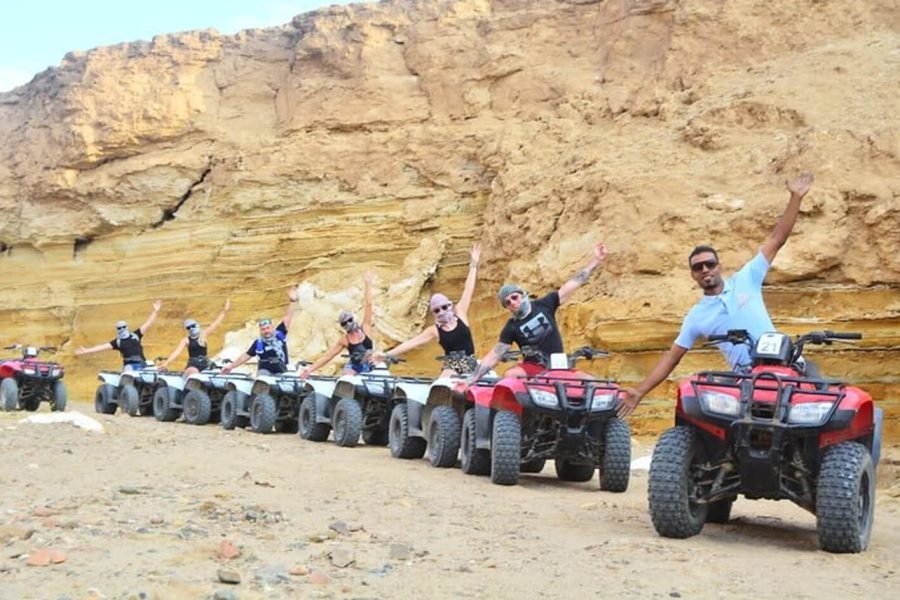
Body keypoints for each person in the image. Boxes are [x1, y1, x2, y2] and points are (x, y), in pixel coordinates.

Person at [617, 173, 815, 418]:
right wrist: (640, 391)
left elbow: (777, 239)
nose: (704, 270)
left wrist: (795, 198)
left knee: (826, 413)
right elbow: (672, 358)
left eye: (709, 264)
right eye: (697, 268)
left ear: (719, 266)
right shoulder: (697, 316)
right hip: (746, 380)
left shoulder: (747, 279)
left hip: (791, 366)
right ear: (692, 276)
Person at [467, 242, 608, 382]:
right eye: (508, 303)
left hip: (558, 366)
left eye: (514, 297)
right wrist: (471, 379)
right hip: (533, 367)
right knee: (511, 375)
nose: (513, 303)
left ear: (522, 295)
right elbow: (495, 354)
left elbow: (573, 284)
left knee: (592, 381)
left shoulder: (545, 304)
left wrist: (595, 260)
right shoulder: (511, 327)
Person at [373, 244, 482, 378]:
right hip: (452, 365)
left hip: (470, 362)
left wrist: (474, 264)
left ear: (449, 305)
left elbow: (468, 289)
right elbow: (411, 343)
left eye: (444, 307)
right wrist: (387, 355)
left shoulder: (460, 313)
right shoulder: (434, 330)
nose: (442, 311)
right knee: (444, 382)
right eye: (437, 310)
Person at [301, 272, 377, 378]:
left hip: (371, 365)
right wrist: (310, 369)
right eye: (344, 323)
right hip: (355, 368)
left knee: (380, 368)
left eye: (349, 320)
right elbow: (329, 356)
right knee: (348, 374)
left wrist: (368, 284)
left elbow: (369, 304)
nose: (348, 324)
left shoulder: (365, 328)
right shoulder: (345, 340)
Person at [221, 286, 299, 375]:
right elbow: (245, 356)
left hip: (281, 370)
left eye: (268, 328)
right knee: (262, 378)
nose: (266, 331)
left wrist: (292, 301)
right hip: (265, 371)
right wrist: (231, 366)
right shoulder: (258, 343)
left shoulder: (280, 334)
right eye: (263, 329)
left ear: (272, 327)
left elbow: (288, 317)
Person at [75, 300, 163, 371]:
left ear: (127, 327)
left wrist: (155, 311)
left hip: (142, 365)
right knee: (128, 371)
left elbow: (148, 324)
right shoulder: (118, 342)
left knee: (159, 370)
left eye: (123, 327)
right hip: (130, 367)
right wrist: (86, 350)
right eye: (119, 328)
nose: (122, 329)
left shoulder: (136, 335)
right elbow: (101, 347)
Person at [157, 299, 231, 376]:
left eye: (193, 326)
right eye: (188, 328)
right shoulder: (186, 340)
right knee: (192, 374)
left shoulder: (203, 334)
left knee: (220, 374)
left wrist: (225, 311)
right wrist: (167, 362)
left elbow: (216, 323)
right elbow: (177, 352)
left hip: (206, 363)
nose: (191, 329)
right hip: (193, 364)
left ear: (197, 325)